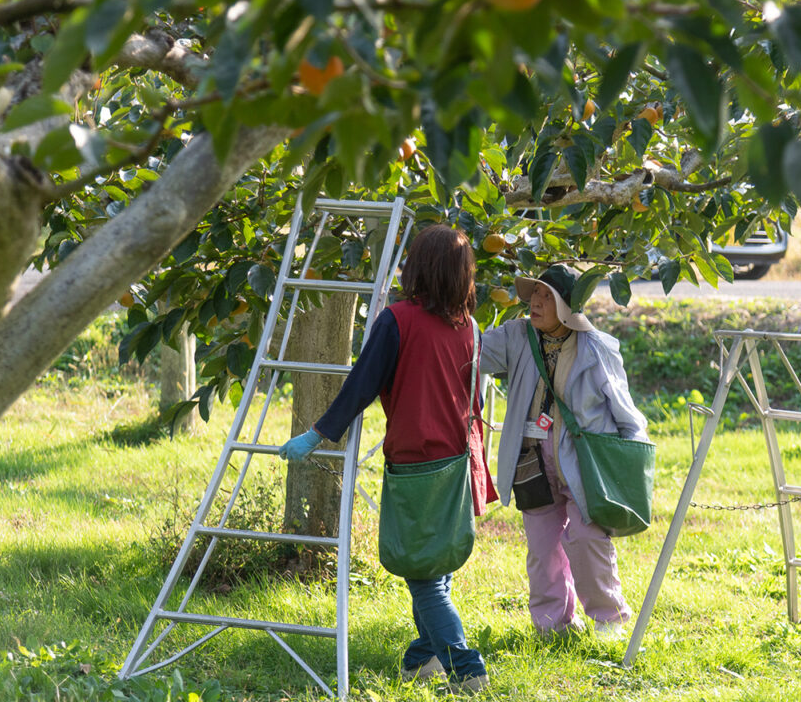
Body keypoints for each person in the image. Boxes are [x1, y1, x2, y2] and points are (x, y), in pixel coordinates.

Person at [279, 225, 496, 692]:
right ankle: (423, 658)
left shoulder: (397, 320)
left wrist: (319, 434)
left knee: (420, 571)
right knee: (435, 562)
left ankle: (466, 667)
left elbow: (362, 383)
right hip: (458, 458)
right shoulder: (469, 327)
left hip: (416, 460)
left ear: (417, 267)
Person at [480, 264, 650, 637]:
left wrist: (632, 463)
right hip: (532, 458)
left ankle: (609, 620)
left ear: (567, 305)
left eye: (546, 296)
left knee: (587, 538)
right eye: (534, 294)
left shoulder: (596, 349)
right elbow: (471, 352)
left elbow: (625, 412)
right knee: (542, 549)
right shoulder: (516, 337)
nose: (536, 303)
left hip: (584, 462)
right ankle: (552, 626)